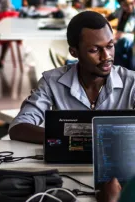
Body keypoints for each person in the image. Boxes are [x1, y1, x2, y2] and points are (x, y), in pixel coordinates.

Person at [9, 11, 135, 144]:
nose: (106, 56)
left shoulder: (131, 82)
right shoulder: (52, 82)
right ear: (74, 52)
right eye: (94, 50)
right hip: (63, 164)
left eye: (110, 46)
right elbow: (18, 127)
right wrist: (69, 140)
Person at [107, 0, 135, 69]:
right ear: (121, 4)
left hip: (130, 39)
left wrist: (123, 35)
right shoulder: (120, 10)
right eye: (125, 5)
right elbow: (108, 18)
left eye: (132, 3)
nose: (129, 7)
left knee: (123, 43)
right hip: (117, 37)